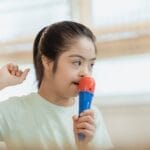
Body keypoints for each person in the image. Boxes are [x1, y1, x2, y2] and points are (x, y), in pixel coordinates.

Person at [0, 21, 113, 150]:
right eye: (77, 62)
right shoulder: (14, 112)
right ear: (47, 62)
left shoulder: (92, 118)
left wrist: (84, 147)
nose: (86, 73)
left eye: (91, 65)